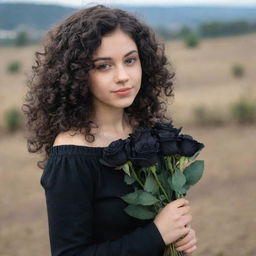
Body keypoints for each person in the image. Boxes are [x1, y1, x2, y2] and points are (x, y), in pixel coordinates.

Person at [23, 4, 197, 256]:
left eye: (130, 60)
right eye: (104, 65)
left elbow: (162, 223)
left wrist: (179, 237)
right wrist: (156, 236)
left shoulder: (148, 135)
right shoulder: (71, 157)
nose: (123, 76)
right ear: (78, 75)